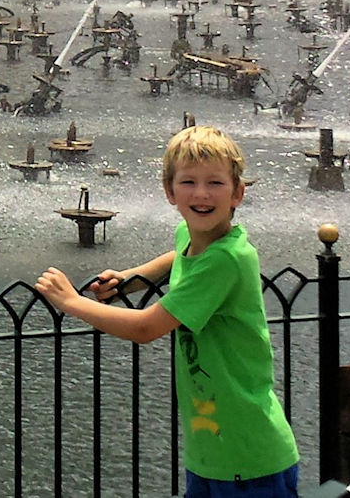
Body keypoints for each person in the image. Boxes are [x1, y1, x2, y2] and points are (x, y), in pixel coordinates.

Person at [35, 125, 299, 497]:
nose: (202, 193)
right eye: (189, 182)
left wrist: (71, 302)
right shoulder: (195, 238)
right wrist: (131, 277)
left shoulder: (227, 259)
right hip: (212, 451)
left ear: (238, 193)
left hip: (249, 457)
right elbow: (179, 255)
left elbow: (146, 328)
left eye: (215, 183)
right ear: (170, 191)